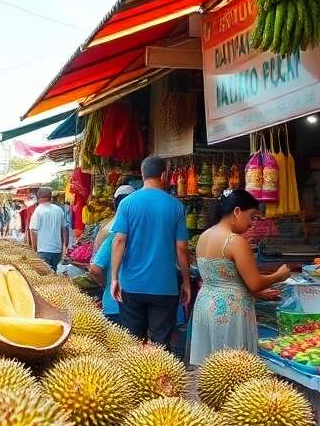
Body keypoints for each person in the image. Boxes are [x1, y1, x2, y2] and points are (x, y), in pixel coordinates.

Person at [190, 190, 291, 366]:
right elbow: (255, 283)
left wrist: (258, 294)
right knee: (234, 368)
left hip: (205, 305)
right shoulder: (234, 241)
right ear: (237, 211)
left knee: (210, 369)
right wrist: (279, 275)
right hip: (229, 311)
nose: (252, 224)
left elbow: (224, 277)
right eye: (251, 216)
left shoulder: (204, 237)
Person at [109, 156, 191, 348]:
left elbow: (119, 240)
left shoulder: (127, 203)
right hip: (165, 287)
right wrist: (186, 281)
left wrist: (114, 278)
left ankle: (128, 377)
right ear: (164, 175)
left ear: (143, 175)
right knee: (161, 344)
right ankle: (162, 377)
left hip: (131, 285)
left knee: (132, 342)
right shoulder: (176, 206)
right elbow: (182, 248)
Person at [88, 186, 133, 317]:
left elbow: (95, 268)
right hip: (135, 304)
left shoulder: (109, 231)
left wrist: (105, 283)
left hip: (114, 302)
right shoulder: (146, 234)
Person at [28, 187, 68, 270]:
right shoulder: (59, 210)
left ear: (38, 198)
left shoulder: (38, 210)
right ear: (51, 197)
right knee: (53, 273)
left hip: (43, 249)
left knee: (44, 277)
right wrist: (64, 247)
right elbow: (64, 230)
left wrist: (34, 248)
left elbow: (33, 230)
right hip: (57, 250)